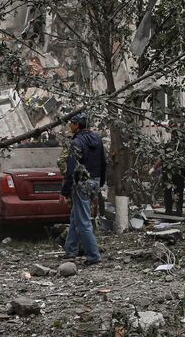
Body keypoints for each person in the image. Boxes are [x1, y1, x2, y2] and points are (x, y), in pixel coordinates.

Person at [60, 113, 106, 266]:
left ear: (77, 125)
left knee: (84, 222)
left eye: (71, 124)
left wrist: (65, 191)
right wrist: (100, 183)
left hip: (82, 183)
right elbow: (103, 162)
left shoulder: (76, 142)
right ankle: (70, 252)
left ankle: (94, 256)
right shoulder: (98, 140)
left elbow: (72, 169)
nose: (69, 126)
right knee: (75, 218)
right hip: (95, 181)